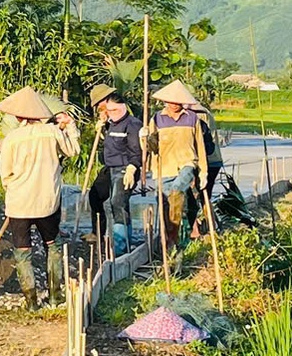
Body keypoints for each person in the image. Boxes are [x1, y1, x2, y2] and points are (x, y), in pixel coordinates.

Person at [0, 87, 81, 308]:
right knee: (52, 245)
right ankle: (55, 294)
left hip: (19, 202)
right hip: (47, 201)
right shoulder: (52, 132)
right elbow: (73, 151)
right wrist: (71, 127)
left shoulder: (12, 138)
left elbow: (5, 172)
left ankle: (31, 301)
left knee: (22, 251)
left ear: (19, 116)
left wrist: (13, 188)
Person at [147, 79, 218, 250]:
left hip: (187, 163)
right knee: (166, 205)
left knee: (177, 191)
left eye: (177, 101)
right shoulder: (157, 119)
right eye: (170, 101)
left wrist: (203, 172)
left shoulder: (192, 118)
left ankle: (172, 237)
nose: (174, 104)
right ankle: (173, 240)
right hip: (164, 167)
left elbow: (200, 146)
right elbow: (151, 149)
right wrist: (146, 138)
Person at [86, 81, 143, 246]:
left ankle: (121, 243)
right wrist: (103, 129)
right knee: (95, 195)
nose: (99, 108)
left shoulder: (131, 123)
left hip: (125, 167)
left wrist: (132, 168)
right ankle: (98, 232)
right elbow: (111, 143)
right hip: (110, 167)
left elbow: (135, 150)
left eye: (100, 104)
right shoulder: (110, 121)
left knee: (118, 202)